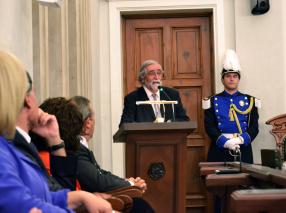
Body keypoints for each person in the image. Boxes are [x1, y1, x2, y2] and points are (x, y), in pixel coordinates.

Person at [0, 51, 112, 212]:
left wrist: (81, 197)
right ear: (27, 98)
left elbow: (46, 195)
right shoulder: (7, 149)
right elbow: (24, 204)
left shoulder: (18, 143)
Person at [70, 95, 155, 213]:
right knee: (140, 207)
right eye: (94, 119)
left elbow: (101, 173)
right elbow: (98, 181)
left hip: (96, 199)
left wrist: (126, 182)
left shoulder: (80, 146)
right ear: (88, 123)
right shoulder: (76, 148)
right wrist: (130, 184)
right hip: (90, 204)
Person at [204, 49, 259, 163]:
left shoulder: (250, 100)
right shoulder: (212, 100)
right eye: (228, 76)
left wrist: (240, 140)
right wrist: (225, 142)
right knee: (218, 179)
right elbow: (209, 126)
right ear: (222, 79)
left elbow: (254, 127)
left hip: (243, 148)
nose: (232, 79)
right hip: (219, 149)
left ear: (239, 79)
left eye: (235, 76)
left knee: (244, 180)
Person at [119, 59, 189, 125]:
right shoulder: (132, 98)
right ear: (143, 77)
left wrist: (169, 123)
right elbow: (126, 123)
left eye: (159, 73)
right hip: (144, 136)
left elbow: (184, 119)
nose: (156, 77)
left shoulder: (171, 94)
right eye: (152, 73)